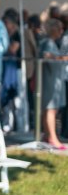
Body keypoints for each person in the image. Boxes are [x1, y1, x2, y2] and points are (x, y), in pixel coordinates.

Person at [38, 19, 67, 149]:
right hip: (50, 80)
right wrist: (63, 58)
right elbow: (48, 57)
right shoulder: (48, 43)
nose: (62, 31)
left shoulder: (48, 42)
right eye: (60, 28)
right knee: (51, 109)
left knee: (49, 110)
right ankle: (53, 138)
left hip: (51, 79)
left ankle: (47, 135)